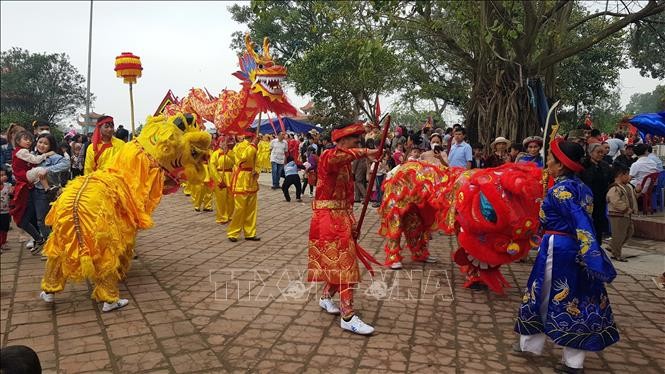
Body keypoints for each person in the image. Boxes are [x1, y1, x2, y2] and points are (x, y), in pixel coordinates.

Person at [514, 138, 618, 374]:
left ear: (560, 165)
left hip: (559, 249)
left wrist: (591, 252)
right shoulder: (581, 187)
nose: (547, 162)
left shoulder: (561, 191)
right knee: (575, 297)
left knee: (545, 293)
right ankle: (549, 351)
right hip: (571, 247)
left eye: (550, 159)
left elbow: (580, 221)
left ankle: (539, 348)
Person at [307, 121, 380, 335]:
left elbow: (348, 198)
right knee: (345, 264)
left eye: (359, 142)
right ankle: (347, 316)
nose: (358, 144)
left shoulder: (347, 165)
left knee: (337, 260)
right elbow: (341, 157)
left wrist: (352, 221)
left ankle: (325, 297)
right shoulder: (330, 156)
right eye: (355, 141)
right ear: (342, 141)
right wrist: (366, 152)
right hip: (327, 218)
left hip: (340, 216)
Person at [227, 132, 261, 242]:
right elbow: (244, 158)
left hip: (252, 179)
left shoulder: (255, 146)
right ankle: (233, 232)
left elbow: (258, 161)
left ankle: (250, 232)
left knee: (251, 208)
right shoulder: (240, 146)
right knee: (239, 208)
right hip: (241, 179)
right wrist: (253, 145)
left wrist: (257, 170)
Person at [580, 142, 612, 242]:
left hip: (601, 199)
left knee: (599, 221)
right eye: (598, 152)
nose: (601, 154)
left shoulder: (605, 165)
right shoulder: (583, 165)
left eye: (602, 152)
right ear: (590, 152)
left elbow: (610, 180)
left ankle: (598, 244)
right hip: (587, 199)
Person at [606, 164, 637, 262]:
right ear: (620, 175)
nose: (629, 177)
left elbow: (632, 197)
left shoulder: (627, 187)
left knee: (629, 231)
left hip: (627, 214)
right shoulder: (615, 188)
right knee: (619, 234)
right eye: (627, 174)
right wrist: (625, 208)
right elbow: (615, 200)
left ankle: (613, 246)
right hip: (618, 215)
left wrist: (638, 191)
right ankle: (616, 253)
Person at [210, 136, 235, 224]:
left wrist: (228, 153)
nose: (224, 144)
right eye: (222, 142)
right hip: (220, 176)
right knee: (221, 199)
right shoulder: (215, 154)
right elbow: (212, 167)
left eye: (225, 142)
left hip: (231, 176)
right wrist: (218, 179)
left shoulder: (232, 153)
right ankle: (221, 217)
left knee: (231, 198)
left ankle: (230, 215)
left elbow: (236, 162)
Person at [0, 168, 12, 251]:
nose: (3, 177)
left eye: (4, 175)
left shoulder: (8, 186)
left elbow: (12, 194)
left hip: (5, 211)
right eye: (1, 175)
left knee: (5, 227)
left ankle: (3, 242)